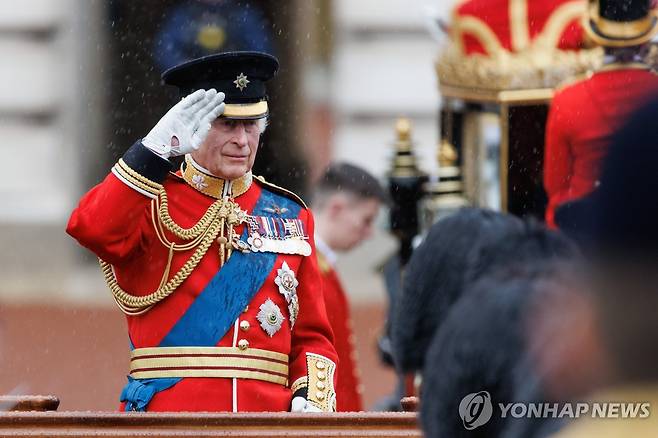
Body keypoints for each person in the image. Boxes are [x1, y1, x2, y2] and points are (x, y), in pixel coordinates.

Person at [66, 51, 338, 413]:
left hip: (267, 423)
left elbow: (312, 336)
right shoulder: (150, 200)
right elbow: (91, 228)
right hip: (169, 421)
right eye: (226, 124)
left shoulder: (290, 213)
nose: (242, 140)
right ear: (192, 123)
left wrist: (311, 398)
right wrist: (152, 152)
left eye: (251, 125)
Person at [543, 0, 658, 227]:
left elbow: (554, 185)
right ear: (646, 37)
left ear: (597, 37)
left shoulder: (567, 99)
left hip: (584, 230)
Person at [311, 163, 388, 411]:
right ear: (337, 208)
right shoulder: (304, 264)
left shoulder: (321, 265)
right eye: (366, 220)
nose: (368, 233)